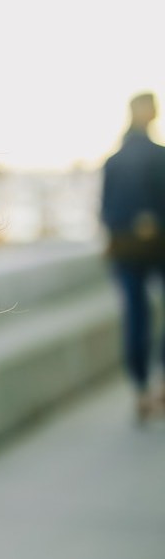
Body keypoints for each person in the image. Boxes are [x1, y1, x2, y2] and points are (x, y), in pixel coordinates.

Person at [99, 91, 165, 423]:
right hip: (157, 247)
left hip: (124, 248)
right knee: (140, 316)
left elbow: (105, 211)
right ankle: (157, 385)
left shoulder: (114, 160)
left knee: (135, 317)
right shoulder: (159, 156)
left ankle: (141, 388)